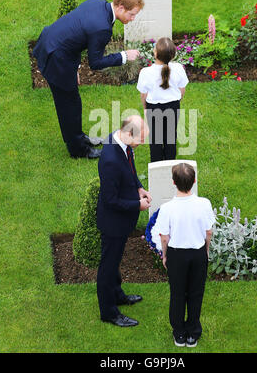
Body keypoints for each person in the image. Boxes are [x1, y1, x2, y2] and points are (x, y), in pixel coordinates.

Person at [33, 0, 144, 159]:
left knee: (73, 102)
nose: (132, 18)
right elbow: (95, 63)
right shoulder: (103, 28)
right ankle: (78, 150)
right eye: (132, 14)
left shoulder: (99, 1)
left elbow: (77, 36)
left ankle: (78, 137)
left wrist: (75, 68)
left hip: (58, 49)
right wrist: (124, 56)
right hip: (56, 59)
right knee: (68, 105)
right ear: (121, 7)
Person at [97, 115, 151, 327]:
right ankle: (109, 312)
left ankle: (118, 294)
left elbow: (130, 171)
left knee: (115, 262)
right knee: (108, 267)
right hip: (113, 222)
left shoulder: (123, 144)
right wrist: (137, 205)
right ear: (129, 133)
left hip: (121, 220)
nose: (142, 144)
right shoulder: (110, 160)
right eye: (140, 139)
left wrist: (139, 187)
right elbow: (111, 201)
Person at [157, 163, 215, 348]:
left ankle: (179, 334)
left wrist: (165, 256)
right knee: (196, 293)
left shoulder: (167, 208)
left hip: (176, 255)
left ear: (173, 183)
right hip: (198, 253)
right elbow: (208, 232)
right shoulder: (204, 204)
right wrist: (205, 251)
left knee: (177, 294)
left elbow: (164, 238)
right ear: (194, 181)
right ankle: (193, 334)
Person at [137, 37, 189, 162]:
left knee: (155, 138)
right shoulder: (178, 68)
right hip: (173, 106)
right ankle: (170, 163)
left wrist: (145, 107)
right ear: (173, 55)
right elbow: (182, 90)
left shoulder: (146, 72)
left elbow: (143, 95)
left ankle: (156, 164)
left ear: (155, 53)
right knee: (170, 136)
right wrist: (176, 101)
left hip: (153, 107)